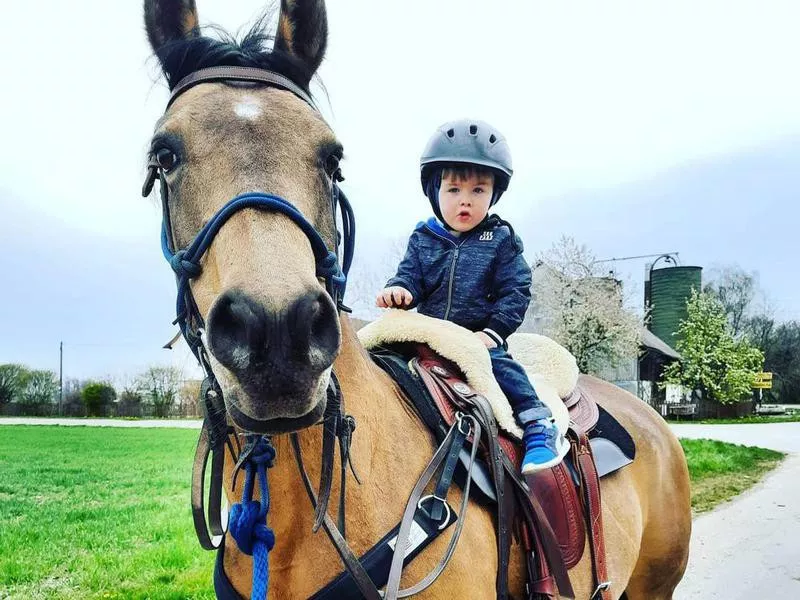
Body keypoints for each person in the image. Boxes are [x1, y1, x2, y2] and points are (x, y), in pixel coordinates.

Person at [376, 119, 568, 473]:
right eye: (453, 191)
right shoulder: (423, 238)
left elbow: (516, 290)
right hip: (432, 336)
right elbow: (409, 277)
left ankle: (539, 423)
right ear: (435, 192)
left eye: (478, 191)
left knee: (503, 370)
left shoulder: (500, 240)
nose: (465, 201)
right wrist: (399, 290)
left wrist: (492, 333)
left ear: (493, 195)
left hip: (478, 339)